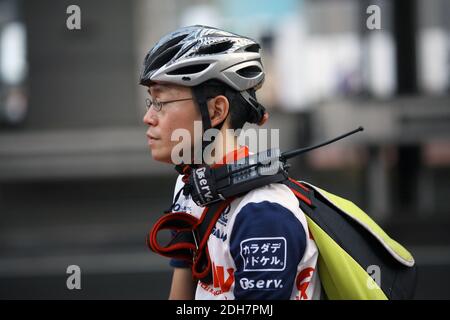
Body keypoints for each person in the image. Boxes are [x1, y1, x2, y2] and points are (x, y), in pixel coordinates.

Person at [140, 25, 321, 300]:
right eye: (149, 102)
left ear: (216, 111)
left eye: (161, 102)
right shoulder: (191, 187)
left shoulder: (264, 214)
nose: (149, 117)